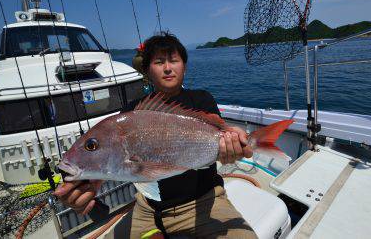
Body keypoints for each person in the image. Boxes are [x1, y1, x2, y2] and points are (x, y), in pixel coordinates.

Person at [54, 32, 256, 238]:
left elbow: (222, 135)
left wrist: (235, 144)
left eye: (174, 60)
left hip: (204, 202)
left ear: (184, 66)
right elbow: (120, 165)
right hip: (148, 209)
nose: (168, 68)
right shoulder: (131, 112)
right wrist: (92, 181)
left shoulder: (201, 99)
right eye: (159, 62)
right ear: (147, 71)